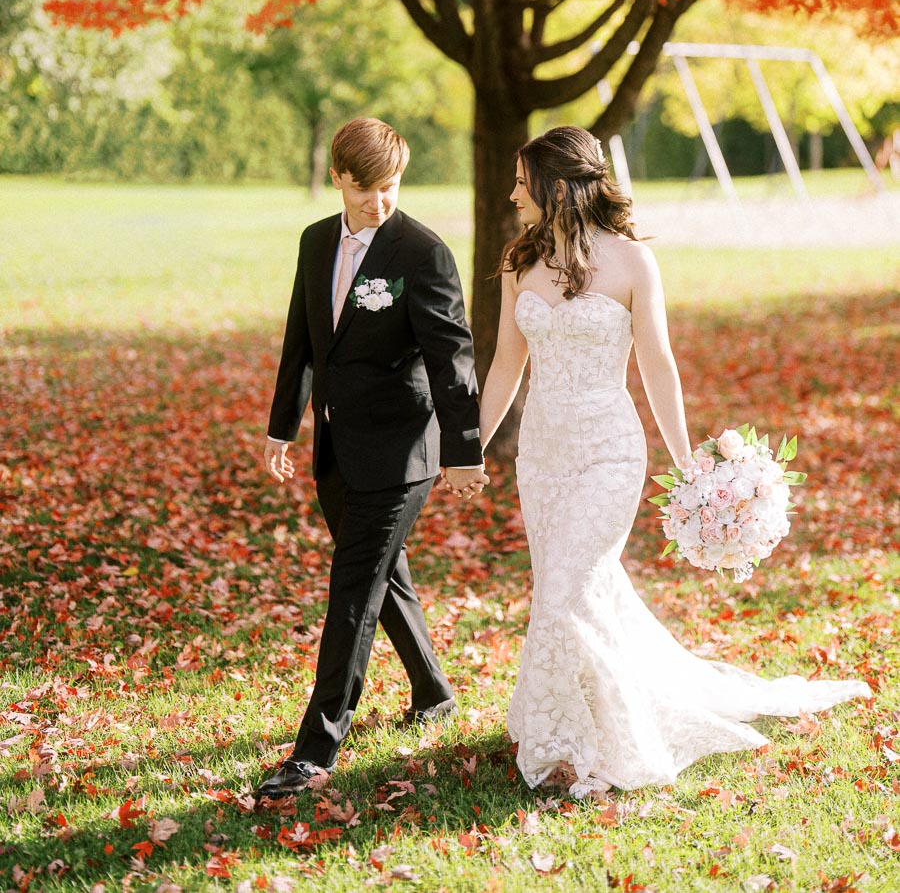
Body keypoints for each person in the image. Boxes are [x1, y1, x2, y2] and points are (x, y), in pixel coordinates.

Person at [479, 125, 871, 798]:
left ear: (556, 184)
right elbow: (506, 366)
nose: (513, 193)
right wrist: (469, 450)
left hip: (609, 451)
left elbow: (658, 366)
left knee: (567, 586)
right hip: (543, 455)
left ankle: (574, 747)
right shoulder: (521, 264)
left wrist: (688, 461)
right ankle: (576, 718)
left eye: (522, 181)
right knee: (572, 588)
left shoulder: (633, 263)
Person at [257, 118, 489, 799]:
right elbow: (303, 339)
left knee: (353, 589)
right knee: (383, 578)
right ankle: (434, 691)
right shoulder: (314, 241)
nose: (380, 202)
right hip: (335, 447)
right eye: (368, 190)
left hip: (400, 452)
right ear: (339, 178)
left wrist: (464, 448)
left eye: (391, 187)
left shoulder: (422, 251)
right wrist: (282, 428)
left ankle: (314, 748)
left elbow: (453, 357)